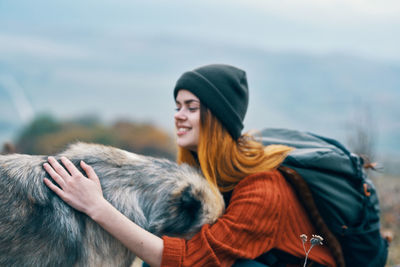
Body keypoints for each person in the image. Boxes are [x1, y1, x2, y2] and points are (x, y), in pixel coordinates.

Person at [43, 64, 336, 267]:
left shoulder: (264, 190)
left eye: (191, 107)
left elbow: (189, 261)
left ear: (218, 118)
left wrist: (97, 207)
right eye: (177, 106)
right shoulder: (210, 177)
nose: (179, 116)